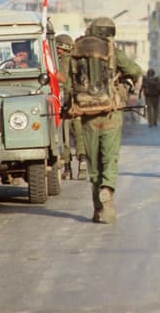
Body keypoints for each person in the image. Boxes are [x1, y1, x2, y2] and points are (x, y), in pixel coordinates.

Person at [67, 17, 142, 224]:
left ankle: (98, 210)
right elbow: (135, 71)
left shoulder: (76, 50)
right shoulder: (111, 51)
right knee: (110, 158)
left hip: (87, 116)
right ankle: (107, 190)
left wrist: (69, 108)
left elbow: (68, 86)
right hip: (111, 113)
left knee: (94, 164)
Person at [56, 33, 87, 181]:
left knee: (65, 136)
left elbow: (60, 79)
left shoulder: (60, 62)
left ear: (61, 48)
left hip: (65, 104)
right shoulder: (79, 61)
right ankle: (82, 162)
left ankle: (67, 169)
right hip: (79, 102)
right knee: (80, 134)